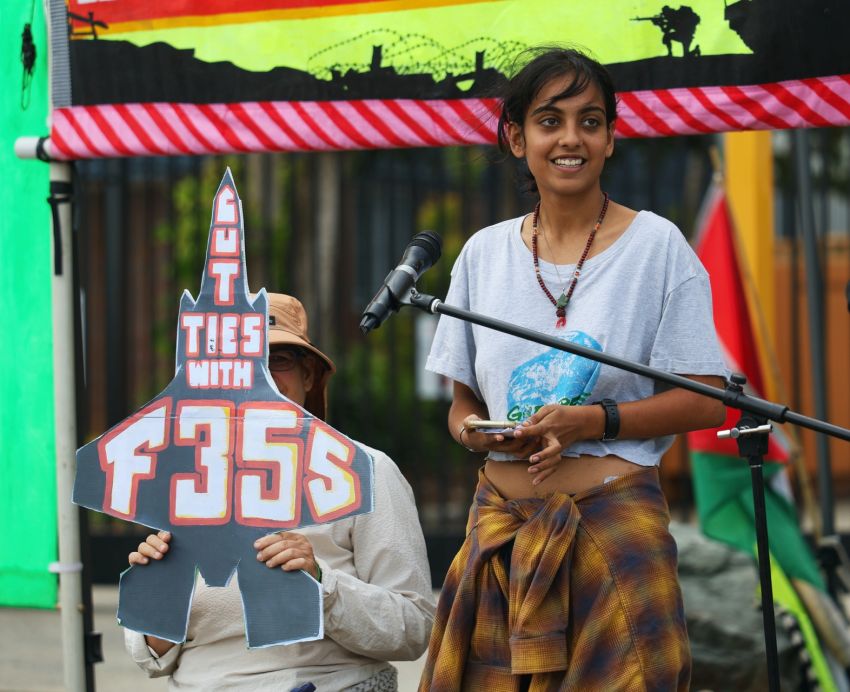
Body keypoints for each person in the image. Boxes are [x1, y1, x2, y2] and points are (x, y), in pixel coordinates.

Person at [420, 47, 727, 690]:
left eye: (590, 121)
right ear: (515, 137)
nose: (570, 138)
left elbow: (707, 400)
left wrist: (591, 420)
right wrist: (476, 433)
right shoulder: (482, 254)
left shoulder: (657, 246)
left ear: (612, 138)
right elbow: (461, 405)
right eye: (549, 120)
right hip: (499, 525)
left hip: (613, 525)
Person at [125, 293, 435, 691]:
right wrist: (157, 598)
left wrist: (320, 582)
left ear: (309, 376)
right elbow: (151, 656)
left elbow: (412, 629)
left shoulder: (365, 470)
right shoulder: (184, 479)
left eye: (278, 360)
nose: (260, 378)